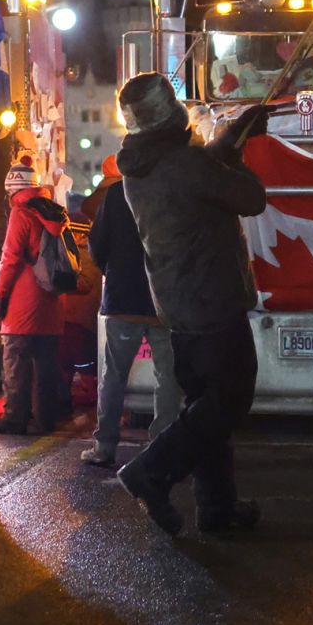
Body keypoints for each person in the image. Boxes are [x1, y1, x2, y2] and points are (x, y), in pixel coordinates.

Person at [113, 73, 269, 536]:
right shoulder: (184, 163)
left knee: (207, 404)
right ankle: (150, 472)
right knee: (229, 400)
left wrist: (225, 140)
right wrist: (236, 151)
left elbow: (198, 178)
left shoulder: (143, 164)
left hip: (178, 303)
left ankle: (217, 508)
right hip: (213, 297)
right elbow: (250, 198)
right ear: (173, 113)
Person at [79, 153, 180, 467]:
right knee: (168, 376)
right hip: (162, 300)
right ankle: (163, 445)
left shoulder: (116, 194)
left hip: (122, 299)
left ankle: (104, 446)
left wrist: (112, 267)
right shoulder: (171, 195)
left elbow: (97, 245)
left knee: (114, 375)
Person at [0, 155, 69, 434]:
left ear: (13, 190)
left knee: (16, 361)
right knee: (46, 362)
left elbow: (10, 259)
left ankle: (15, 417)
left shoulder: (21, 213)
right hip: (51, 299)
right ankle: (46, 418)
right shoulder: (53, 212)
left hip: (23, 302)